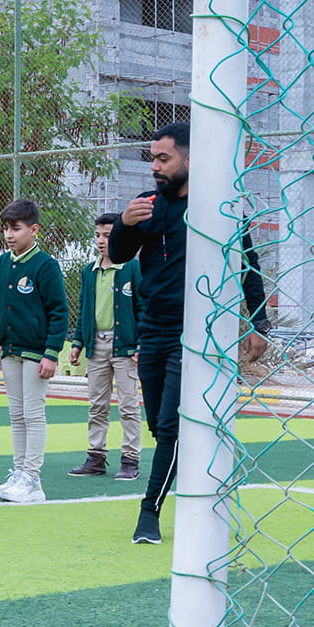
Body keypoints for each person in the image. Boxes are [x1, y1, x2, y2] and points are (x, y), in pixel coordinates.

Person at [108, 121, 270, 544]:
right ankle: (193, 477)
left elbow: (248, 264)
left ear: (189, 159)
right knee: (160, 427)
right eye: (152, 159)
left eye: (163, 159)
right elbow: (119, 254)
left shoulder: (219, 208)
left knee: (171, 426)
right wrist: (124, 224)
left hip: (196, 333)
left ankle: (149, 513)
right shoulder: (147, 206)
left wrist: (258, 322)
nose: (155, 167)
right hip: (152, 330)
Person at [0, 199, 68, 504]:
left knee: (33, 413)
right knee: (16, 414)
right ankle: (19, 474)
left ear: (34, 230)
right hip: (9, 352)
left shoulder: (46, 265)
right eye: (5, 228)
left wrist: (51, 353)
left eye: (16, 228)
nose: (9, 234)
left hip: (35, 353)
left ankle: (32, 478)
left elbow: (59, 312)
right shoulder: (1, 264)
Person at [67, 212, 142, 480]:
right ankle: (95, 457)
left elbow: (143, 308)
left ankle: (130, 459)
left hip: (124, 347)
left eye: (108, 236)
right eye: (98, 235)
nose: (101, 241)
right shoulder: (89, 271)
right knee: (97, 404)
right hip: (96, 346)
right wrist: (78, 343)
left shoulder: (132, 268)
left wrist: (140, 343)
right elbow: (84, 310)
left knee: (128, 405)